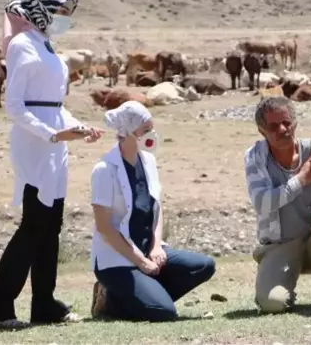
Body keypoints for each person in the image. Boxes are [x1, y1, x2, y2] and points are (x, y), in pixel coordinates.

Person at [0, 0, 105, 329]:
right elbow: (16, 107)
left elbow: (54, 104)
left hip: (55, 144)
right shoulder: (22, 45)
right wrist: (52, 134)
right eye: (60, 10)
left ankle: (44, 304)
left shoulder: (48, 47)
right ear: (42, 9)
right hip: (34, 144)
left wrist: (77, 127)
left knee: (52, 225)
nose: (65, 17)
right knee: (34, 225)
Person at [89, 101, 216, 322]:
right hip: (117, 260)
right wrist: (141, 262)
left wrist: (156, 246)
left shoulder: (148, 161)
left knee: (203, 266)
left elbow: (157, 207)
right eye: (145, 130)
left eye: (151, 128)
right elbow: (104, 227)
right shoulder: (104, 170)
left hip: (148, 250)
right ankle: (111, 300)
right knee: (164, 313)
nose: (152, 134)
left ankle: (140, 295)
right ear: (128, 132)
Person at [244, 97, 311, 313]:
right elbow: (262, 203)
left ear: (295, 124)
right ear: (262, 131)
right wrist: (302, 178)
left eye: (287, 123)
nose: (282, 130)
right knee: (272, 304)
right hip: (280, 244)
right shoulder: (255, 158)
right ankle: (283, 285)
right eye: (273, 126)